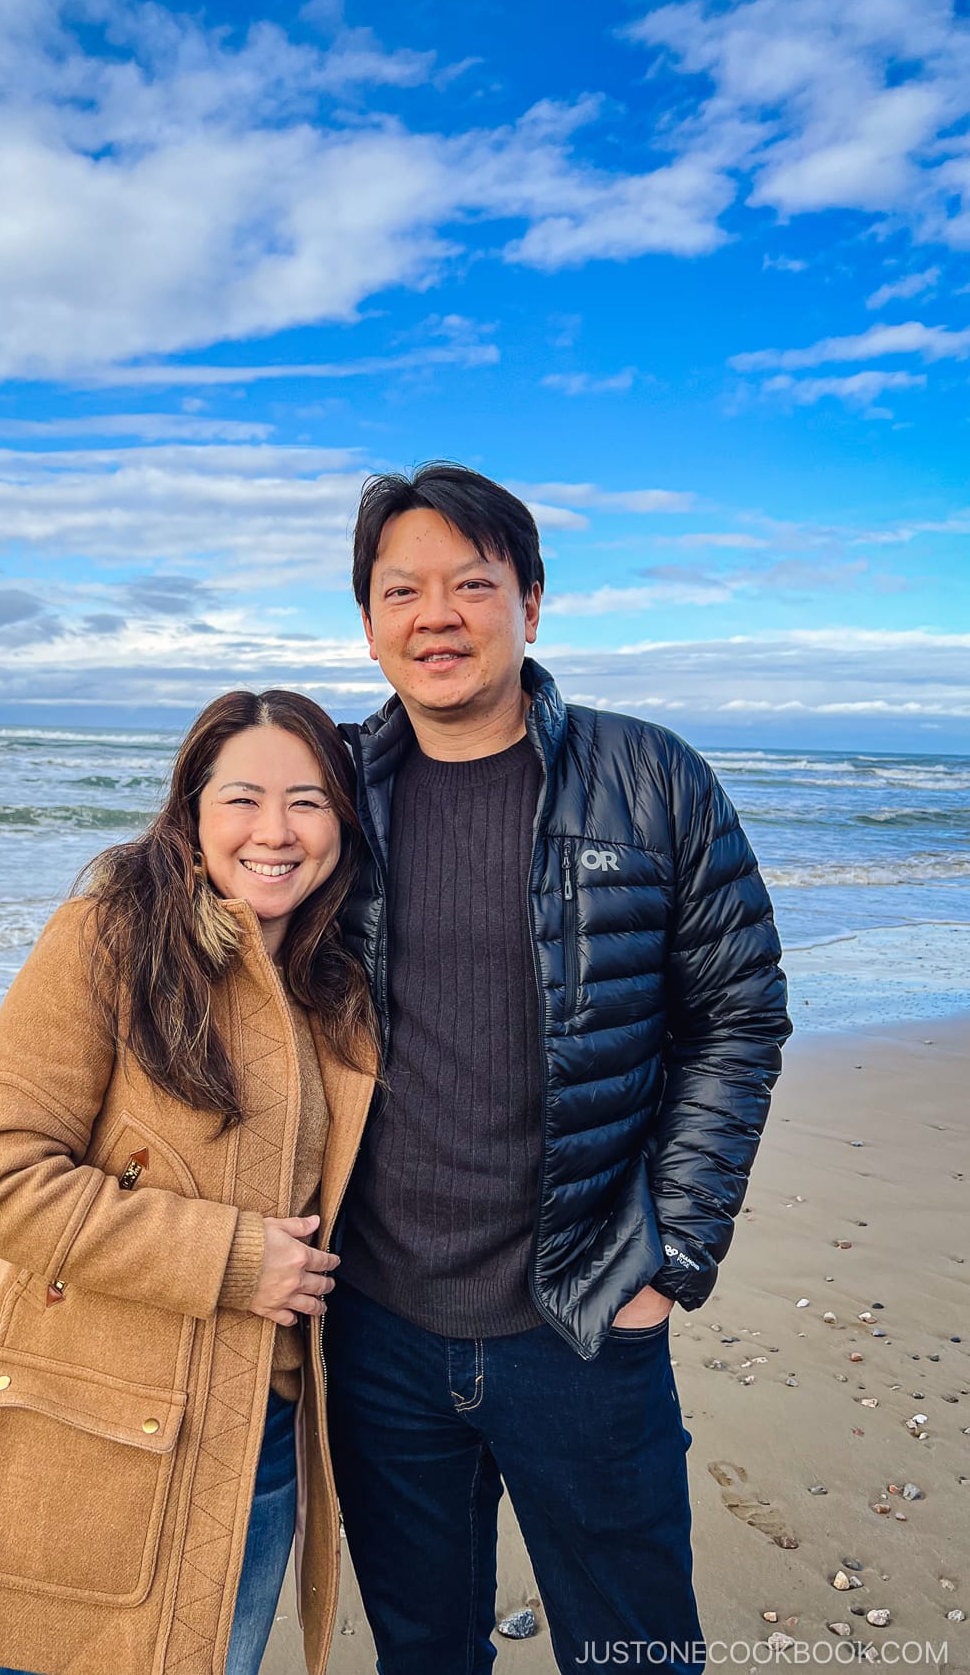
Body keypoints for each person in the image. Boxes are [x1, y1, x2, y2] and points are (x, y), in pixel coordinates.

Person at [326, 462, 792, 1675]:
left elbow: (739, 1014)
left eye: (472, 583)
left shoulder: (653, 779)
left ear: (531, 602)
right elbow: (206, 941)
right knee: (423, 1650)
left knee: (635, 1649)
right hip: (376, 1328)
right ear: (368, 622)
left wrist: (670, 1257)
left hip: (586, 1316)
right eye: (402, 590)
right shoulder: (327, 797)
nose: (439, 615)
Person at [0, 690, 379, 1675]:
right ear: (191, 816)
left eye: (310, 802)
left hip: (267, 1440)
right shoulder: (108, 940)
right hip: (100, 1426)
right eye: (243, 799)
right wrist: (236, 1260)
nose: (275, 831)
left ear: (344, 825)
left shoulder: (342, 988)